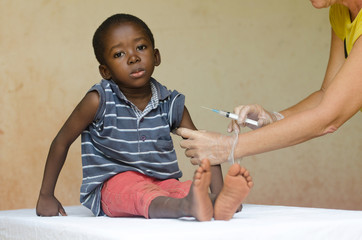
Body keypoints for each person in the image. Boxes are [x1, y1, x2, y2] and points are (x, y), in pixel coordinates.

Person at [35, 13, 253, 221]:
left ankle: (215, 203)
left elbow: (205, 148)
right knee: (137, 192)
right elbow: (61, 142)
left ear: (156, 56)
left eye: (141, 47)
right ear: (105, 71)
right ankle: (188, 206)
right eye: (119, 54)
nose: (133, 57)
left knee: (184, 188)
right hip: (113, 186)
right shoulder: (98, 100)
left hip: (163, 182)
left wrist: (218, 191)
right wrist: (46, 195)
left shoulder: (170, 103)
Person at [177, 0, 362, 165]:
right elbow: (326, 94)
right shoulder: (339, 12)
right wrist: (274, 118)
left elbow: (329, 118)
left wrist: (227, 147)